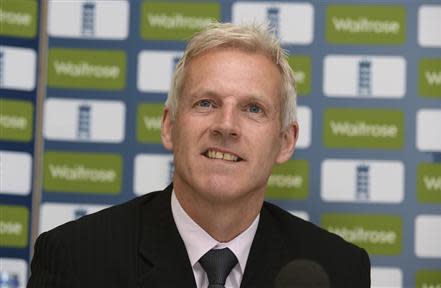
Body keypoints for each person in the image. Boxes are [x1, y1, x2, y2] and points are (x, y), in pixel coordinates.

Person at [28, 22, 370, 288]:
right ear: (169, 125)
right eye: (206, 103)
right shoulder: (77, 258)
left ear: (285, 141)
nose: (226, 125)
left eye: (253, 108)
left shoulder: (338, 270)